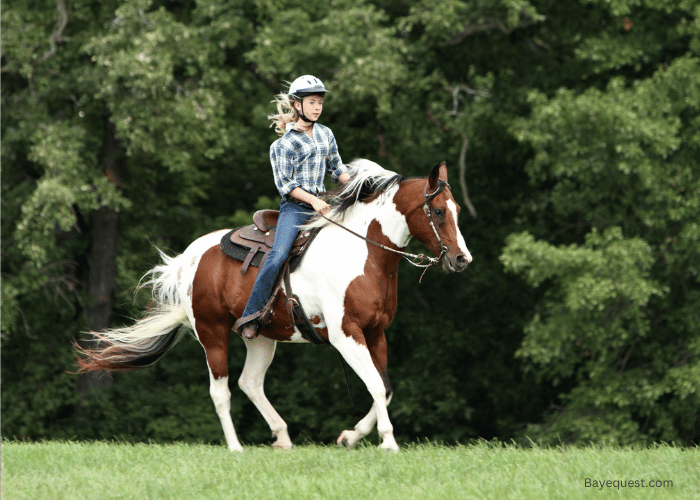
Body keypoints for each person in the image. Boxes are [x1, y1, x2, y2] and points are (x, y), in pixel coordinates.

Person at [235, 75, 351, 340]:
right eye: (312, 102)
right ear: (297, 105)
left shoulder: (326, 134)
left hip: (324, 205)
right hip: (296, 209)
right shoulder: (282, 145)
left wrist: (357, 186)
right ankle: (252, 314)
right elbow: (286, 185)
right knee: (277, 256)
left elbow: (338, 168)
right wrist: (314, 201)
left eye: (320, 102)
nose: (318, 107)